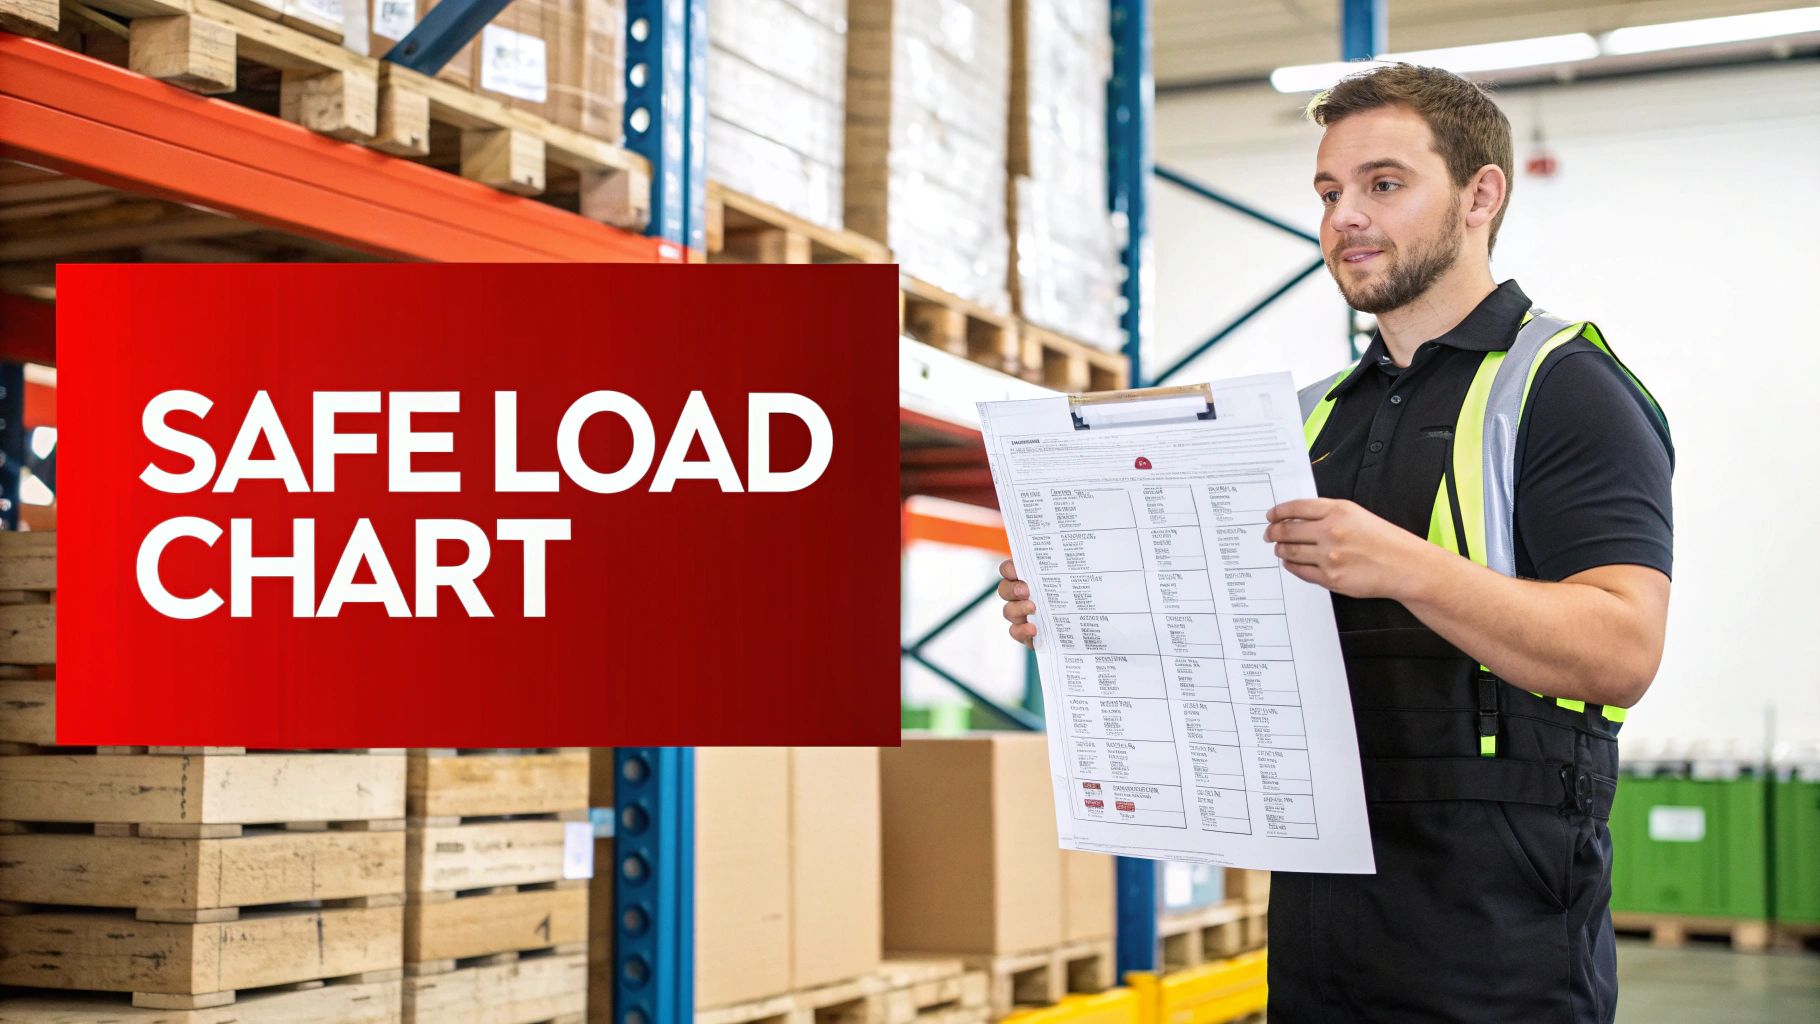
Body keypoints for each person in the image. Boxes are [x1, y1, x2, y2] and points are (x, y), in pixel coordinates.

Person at [998, 63, 1673, 1023]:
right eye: (1328, 192)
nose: (1344, 216)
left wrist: (1402, 564)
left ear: (1482, 195)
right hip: (1320, 934)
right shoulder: (1308, 422)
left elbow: (1623, 648)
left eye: (1383, 185)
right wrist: (1084, 610)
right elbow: (1235, 645)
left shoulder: (1564, 389)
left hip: (1499, 947)